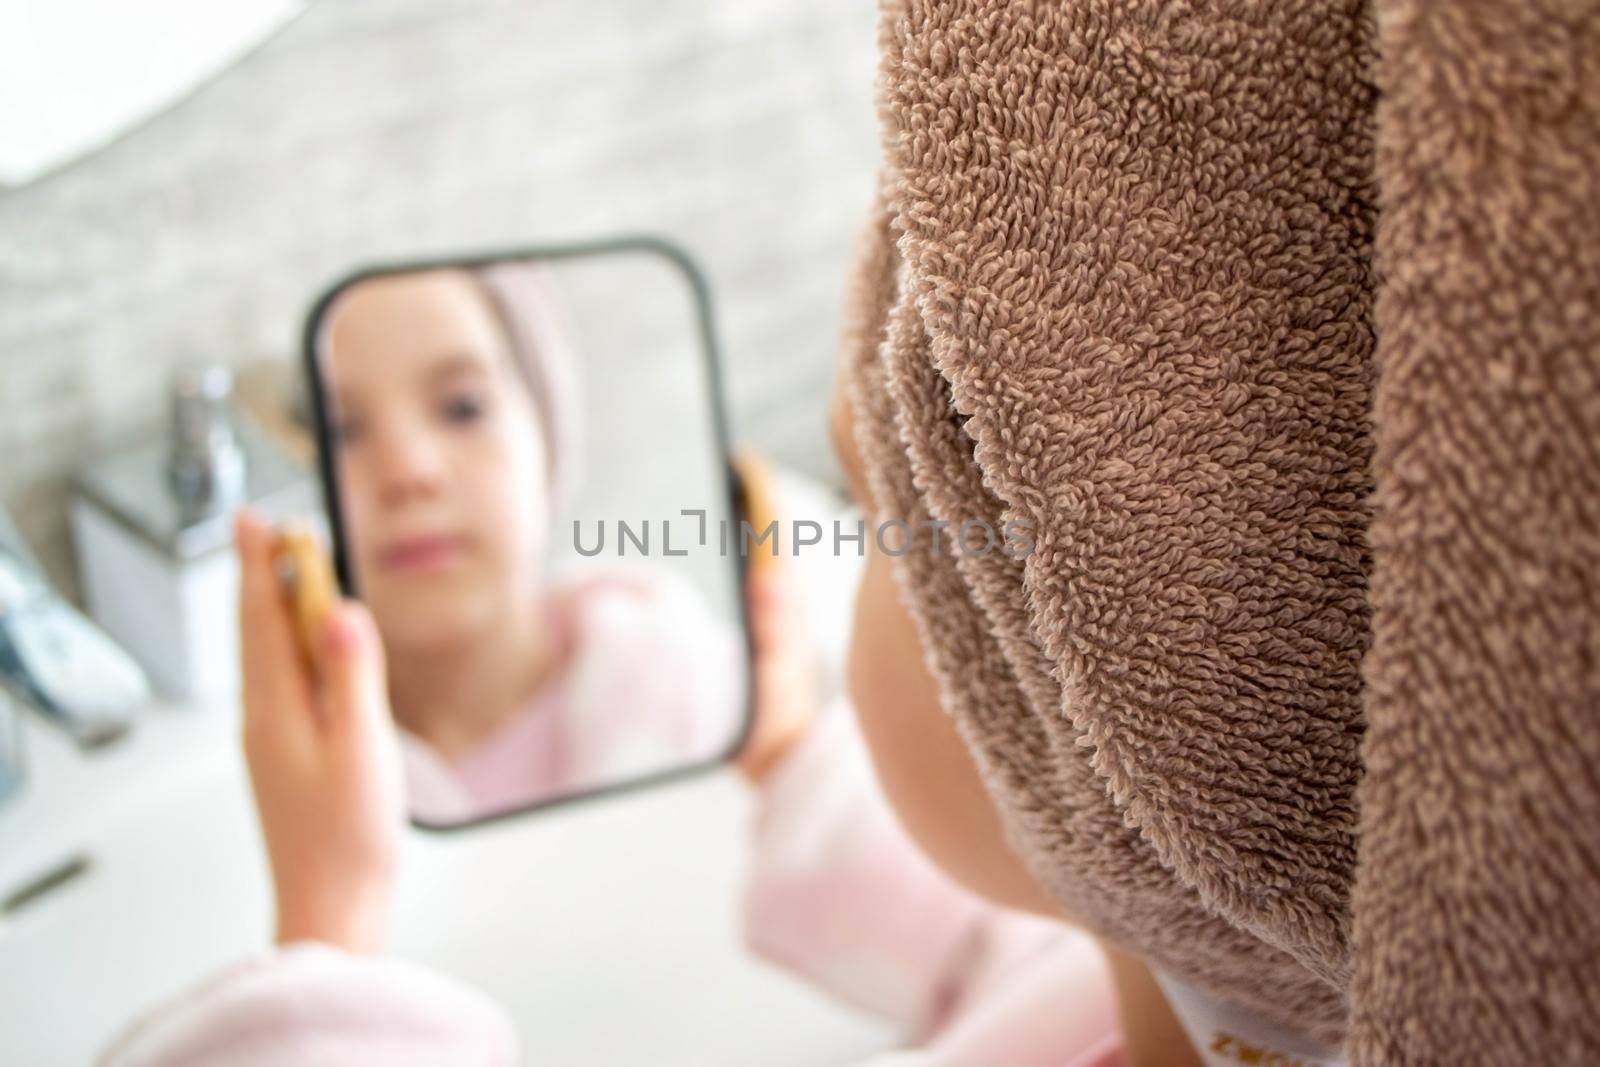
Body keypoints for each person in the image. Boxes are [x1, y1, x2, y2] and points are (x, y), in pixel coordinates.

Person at [320, 266, 744, 820]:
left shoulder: (693, 686)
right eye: (342, 431)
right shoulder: (314, 774)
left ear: (547, 438)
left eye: (462, 407)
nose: (407, 470)